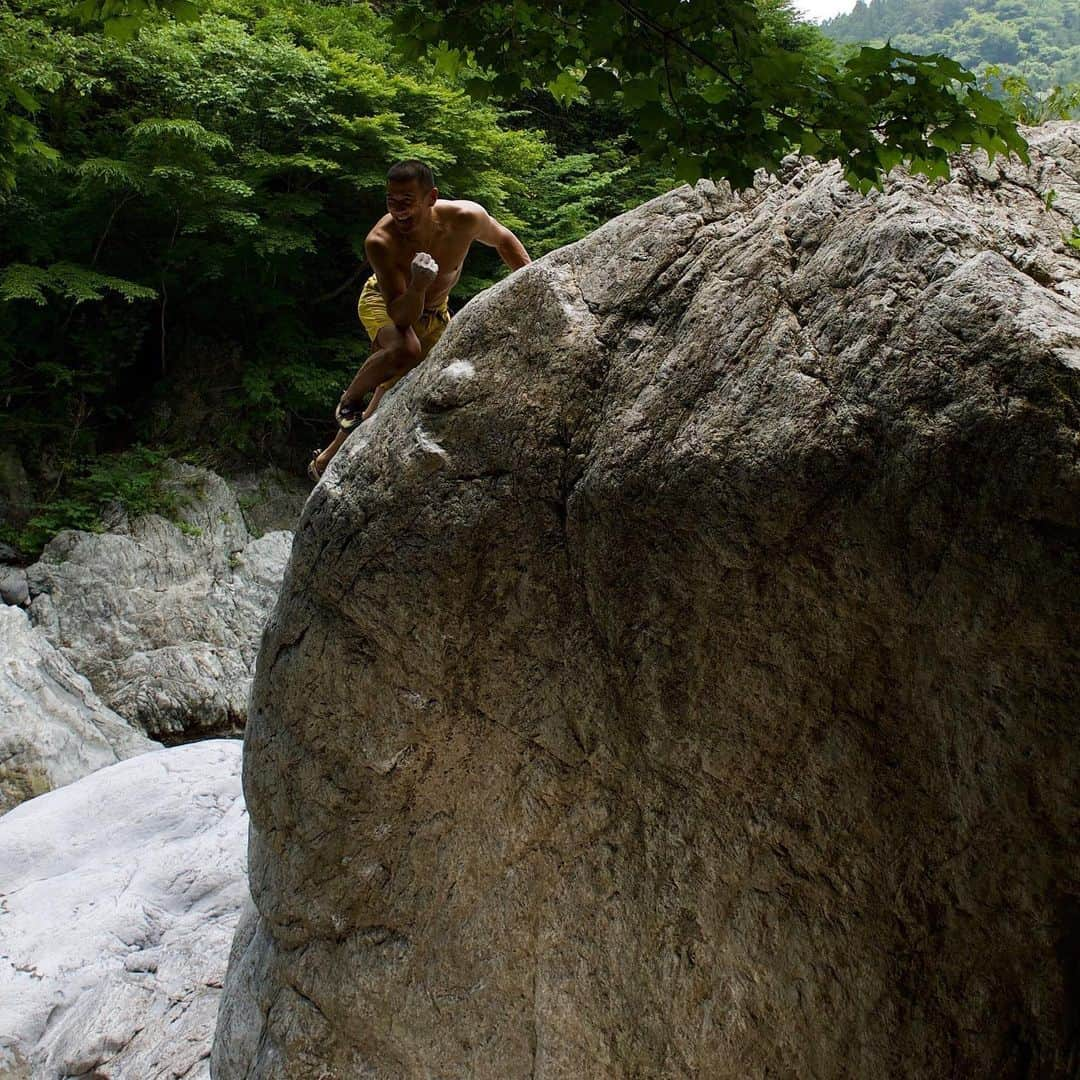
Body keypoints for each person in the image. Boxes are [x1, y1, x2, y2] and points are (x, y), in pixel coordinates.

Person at [309, 160, 532, 480]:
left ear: (431, 198)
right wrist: (418, 284)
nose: (398, 211)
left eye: (406, 202)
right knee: (406, 350)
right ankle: (350, 398)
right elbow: (401, 315)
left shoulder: (466, 217)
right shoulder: (381, 241)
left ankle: (327, 460)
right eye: (391, 201)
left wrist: (535, 280)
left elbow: (503, 239)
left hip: (435, 312)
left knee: (394, 388)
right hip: (386, 303)